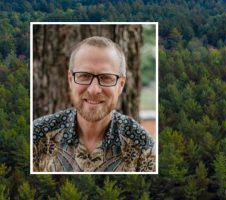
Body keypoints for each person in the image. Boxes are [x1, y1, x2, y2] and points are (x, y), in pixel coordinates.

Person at [33, 36, 155, 172]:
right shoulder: (37, 136)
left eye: (106, 78)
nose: (94, 90)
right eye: (84, 76)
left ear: (121, 85)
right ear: (70, 80)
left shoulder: (142, 146)